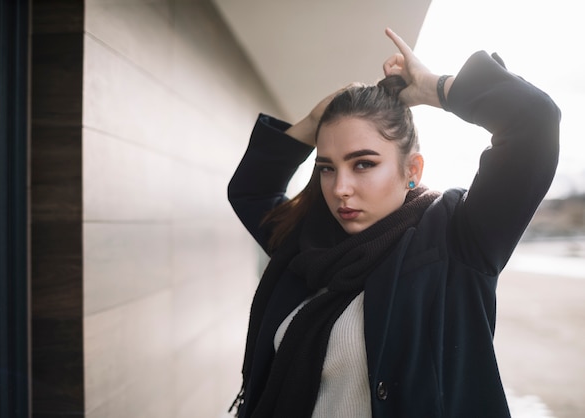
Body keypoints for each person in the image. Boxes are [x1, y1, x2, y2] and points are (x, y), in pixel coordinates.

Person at [227, 28, 560, 418]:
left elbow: (533, 122)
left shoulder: (458, 241)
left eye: (363, 164)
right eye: (327, 168)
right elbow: (252, 192)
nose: (340, 189)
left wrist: (434, 88)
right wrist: (317, 118)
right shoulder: (308, 245)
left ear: (412, 170)